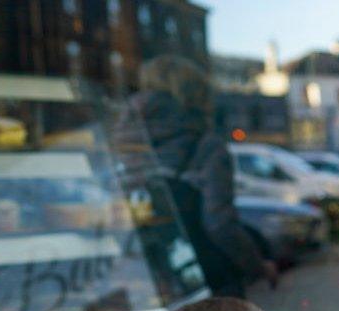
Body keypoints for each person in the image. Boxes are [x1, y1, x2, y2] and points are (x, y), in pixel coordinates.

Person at [119, 55, 277, 297]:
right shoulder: (205, 145)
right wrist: (257, 266)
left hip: (146, 282)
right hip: (207, 282)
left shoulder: (119, 144)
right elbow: (220, 225)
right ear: (197, 95)